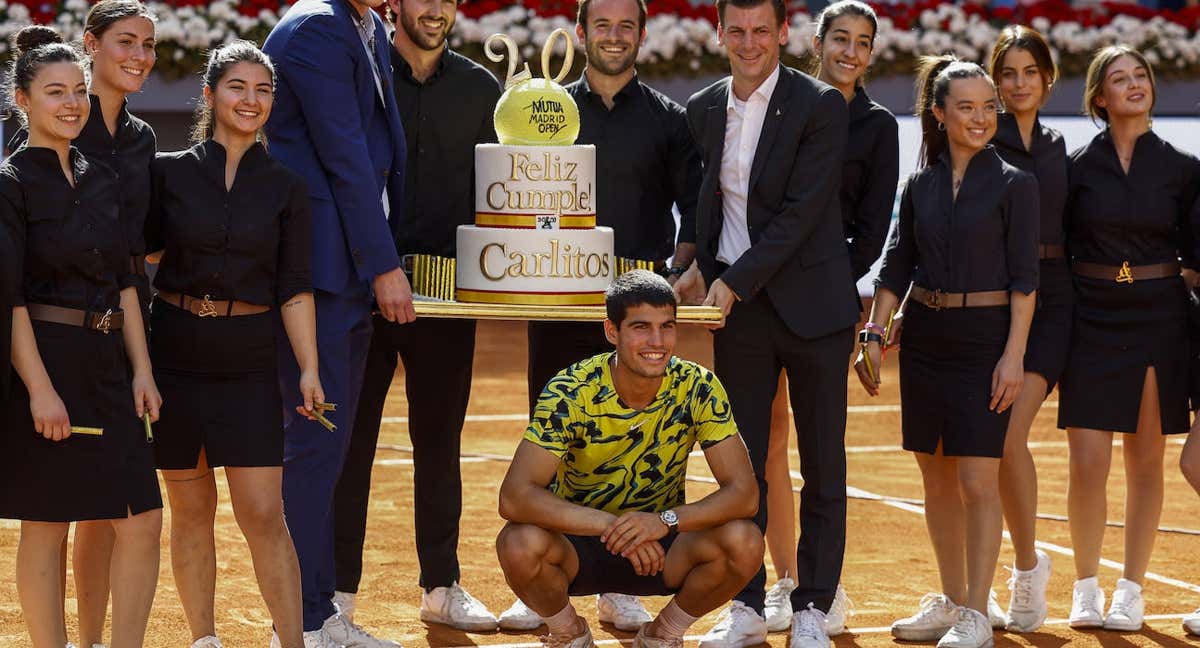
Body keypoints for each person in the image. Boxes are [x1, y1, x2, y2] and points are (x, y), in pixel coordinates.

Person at [506, 0, 703, 631]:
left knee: (634, 441)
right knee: (555, 439)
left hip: (634, 312)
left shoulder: (670, 122)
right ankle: (546, 584)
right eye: (602, 25)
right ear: (581, 32)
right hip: (558, 303)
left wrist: (682, 269)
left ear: (642, 35)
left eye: (626, 26)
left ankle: (620, 581)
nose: (613, 37)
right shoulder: (547, 113)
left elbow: (692, 216)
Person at [674, 0, 860, 645]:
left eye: (761, 30)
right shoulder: (701, 108)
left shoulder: (819, 106)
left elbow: (802, 214)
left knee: (823, 466)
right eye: (737, 31)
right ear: (718, 33)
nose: (749, 43)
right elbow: (706, 199)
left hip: (814, 311)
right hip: (743, 315)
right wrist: (693, 262)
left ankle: (811, 605)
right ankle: (747, 606)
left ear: (783, 32)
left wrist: (731, 282)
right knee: (742, 467)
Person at [856, 57, 1038, 648]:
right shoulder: (919, 185)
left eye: (989, 106)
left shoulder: (1016, 183)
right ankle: (954, 599)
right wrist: (874, 333)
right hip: (928, 341)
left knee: (979, 484)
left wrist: (1014, 356)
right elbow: (896, 266)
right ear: (938, 113)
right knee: (934, 478)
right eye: (966, 106)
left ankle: (978, 616)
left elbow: (1025, 281)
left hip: (987, 344)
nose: (981, 117)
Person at [144, 41, 322, 648]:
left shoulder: (286, 187)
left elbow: (295, 287)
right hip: (173, 351)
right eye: (237, 87)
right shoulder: (166, 172)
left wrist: (309, 369)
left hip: (246, 359)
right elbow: (136, 256)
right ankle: (204, 640)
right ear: (210, 94)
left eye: (263, 90)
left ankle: (292, 641)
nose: (251, 100)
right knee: (190, 514)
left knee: (264, 515)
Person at [333, 0, 501, 631]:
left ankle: (441, 584)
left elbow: (498, 195)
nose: (434, 8)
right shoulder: (361, 74)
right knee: (350, 445)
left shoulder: (481, 87)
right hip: (360, 287)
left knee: (439, 443)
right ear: (393, 5)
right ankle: (337, 596)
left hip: (448, 296)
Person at [0, 24, 163, 648]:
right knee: (47, 524)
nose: (71, 104)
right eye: (53, 92)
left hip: (110, 363)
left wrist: (141, 369)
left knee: (142, 518)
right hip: (44, 361)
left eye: (77, 91)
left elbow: (127, 277)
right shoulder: (10, 182)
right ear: (23, 100)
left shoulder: (103, 177)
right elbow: (9, 298)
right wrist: (40, 392)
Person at [495, 270, 763, 648]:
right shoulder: (572, 389)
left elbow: (744, 494)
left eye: (667, 327)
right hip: (579, 543)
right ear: (611, 331)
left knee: (745, 542)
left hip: (662, 548)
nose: (657, 341)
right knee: (518, 544)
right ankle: (569, 633)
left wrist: (663, 522)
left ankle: (662, 634)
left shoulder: (698, 386)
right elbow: (515, 496)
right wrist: (614, 527)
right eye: (641, 327)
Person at [263, 0, 411, 642]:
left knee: (329, 450)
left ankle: (322, 611)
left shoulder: (365, 22)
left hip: (343, 272)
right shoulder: (317, 27)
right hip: (321, 271)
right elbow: (346, 153)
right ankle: (301, 621)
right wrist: (382, 265)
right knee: (313, 449)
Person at [757, 0, 897, 635]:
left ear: (871, 52)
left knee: (820, 454)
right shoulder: (779, 103)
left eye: (862, 42)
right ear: (816, 41)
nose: (850, 51)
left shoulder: (879, 126)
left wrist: (829, 287)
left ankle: (819, 590)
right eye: (839, 37)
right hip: (759, 297)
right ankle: (778, 579)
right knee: (761, 445)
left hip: (823, 307)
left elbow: (871, 232)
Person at [1058, 44, 1199, 633]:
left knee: (1146, 461)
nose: (1134, 84)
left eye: (1140, 75)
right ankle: (1086, 586)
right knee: (1087, 461)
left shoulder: (1184, 167)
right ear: (1099, 97)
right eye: (1120, 78)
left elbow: (1196, 259)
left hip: (1158, 320)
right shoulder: (1073, 168)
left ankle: (1132, 589)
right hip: (1091, 318)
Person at [986, 24, 1069, 633]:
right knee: (983, 446)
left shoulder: (1063, 144)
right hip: (990, 304)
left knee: (1008, 435)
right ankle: (975, 581)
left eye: (1029, 73)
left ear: (1047, 78)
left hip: (1052, 303)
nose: (1018, 84)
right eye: (1008, 73)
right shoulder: (979, 139)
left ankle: (1025, 569)